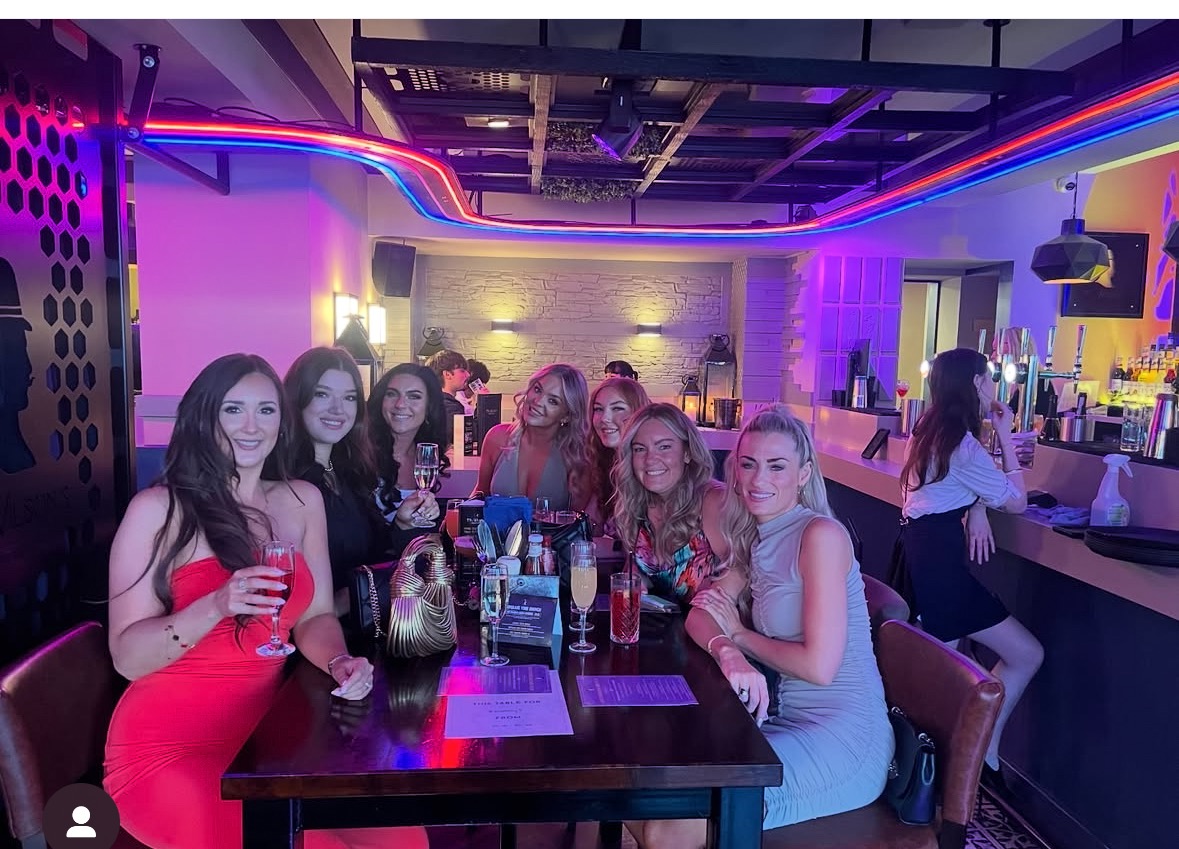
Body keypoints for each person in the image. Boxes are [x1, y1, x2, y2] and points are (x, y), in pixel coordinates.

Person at [104, 353, 426, 849]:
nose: (251, 426)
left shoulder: (301, 500)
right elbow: (127, 658)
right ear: (204, 418)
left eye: (266, 410)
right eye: (233, 410)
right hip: (169, 746)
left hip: (268, 738)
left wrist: (338, 660)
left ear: (283, 419)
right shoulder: (159, 509)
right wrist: (215, 605)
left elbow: (315, 616)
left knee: (401, 840)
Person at [672, 405, 892, 844]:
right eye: (748, 465)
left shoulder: (820, 536)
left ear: (804, 473)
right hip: (785, 722)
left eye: (776, 466)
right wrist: (725, 649)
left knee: (672, 824)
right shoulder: (756, 540)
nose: (759, 480)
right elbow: (702, 612)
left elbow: (819, 668)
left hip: (844, 739)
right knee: (659, 794)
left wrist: (740, 636)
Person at [896, 347, 1042, 784]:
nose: (993, 386)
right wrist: (1007, 436)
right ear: (976, 383)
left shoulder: (928, 432)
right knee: (1025, 654)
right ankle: (974, 756)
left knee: (945, 677)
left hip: (923, 558)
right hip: (942, 570)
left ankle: (972, 761)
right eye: (989, 378)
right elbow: (1017, 502)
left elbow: (958, 485)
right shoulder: (963, 445)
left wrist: (976, 507)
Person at [283, 347, 433, 616]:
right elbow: (289, 602)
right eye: (322, 394)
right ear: (297, 398)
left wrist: (402, 523)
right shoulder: (285, 481)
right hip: (325, 635)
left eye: (349, 397)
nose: (337, 409)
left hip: (366, 626)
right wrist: (356, 595)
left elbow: (373, 555)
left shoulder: (347, 471)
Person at [612, 403, 727, 606]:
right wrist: (637, 581)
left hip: (711, 625)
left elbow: (740, 573)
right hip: (661, 623)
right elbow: (637, 573)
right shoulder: (638, 505)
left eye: (664, 447)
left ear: (687, 453)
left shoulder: (712, 501)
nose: (650, 459)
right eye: (640, 449)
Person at [474, 363, 590, 511]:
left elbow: (579, 517)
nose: (537, 402)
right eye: (537, 389)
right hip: (495, 527)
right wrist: (457, 513)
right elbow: (480, 494)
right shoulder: (497, 437)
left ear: (566, 416)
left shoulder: (577, 456)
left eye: (553, 401)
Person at [368, 363, 447, 532]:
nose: (400, 404)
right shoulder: (362, 453)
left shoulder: (425, 457)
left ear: (429, 407)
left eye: (414, 396)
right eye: (392, 394)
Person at [586, 376, 650, 535]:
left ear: (638, 412)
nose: (605, 418)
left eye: (617, 408)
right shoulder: (604, 463)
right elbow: (590, 524)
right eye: (598, 409)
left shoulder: (650, 468)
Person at [426, 347, 472, 447]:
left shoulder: (431, 400)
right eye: (462, 371)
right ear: (447, 374)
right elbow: (465, 438)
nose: (468, 375)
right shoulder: (450, 406)